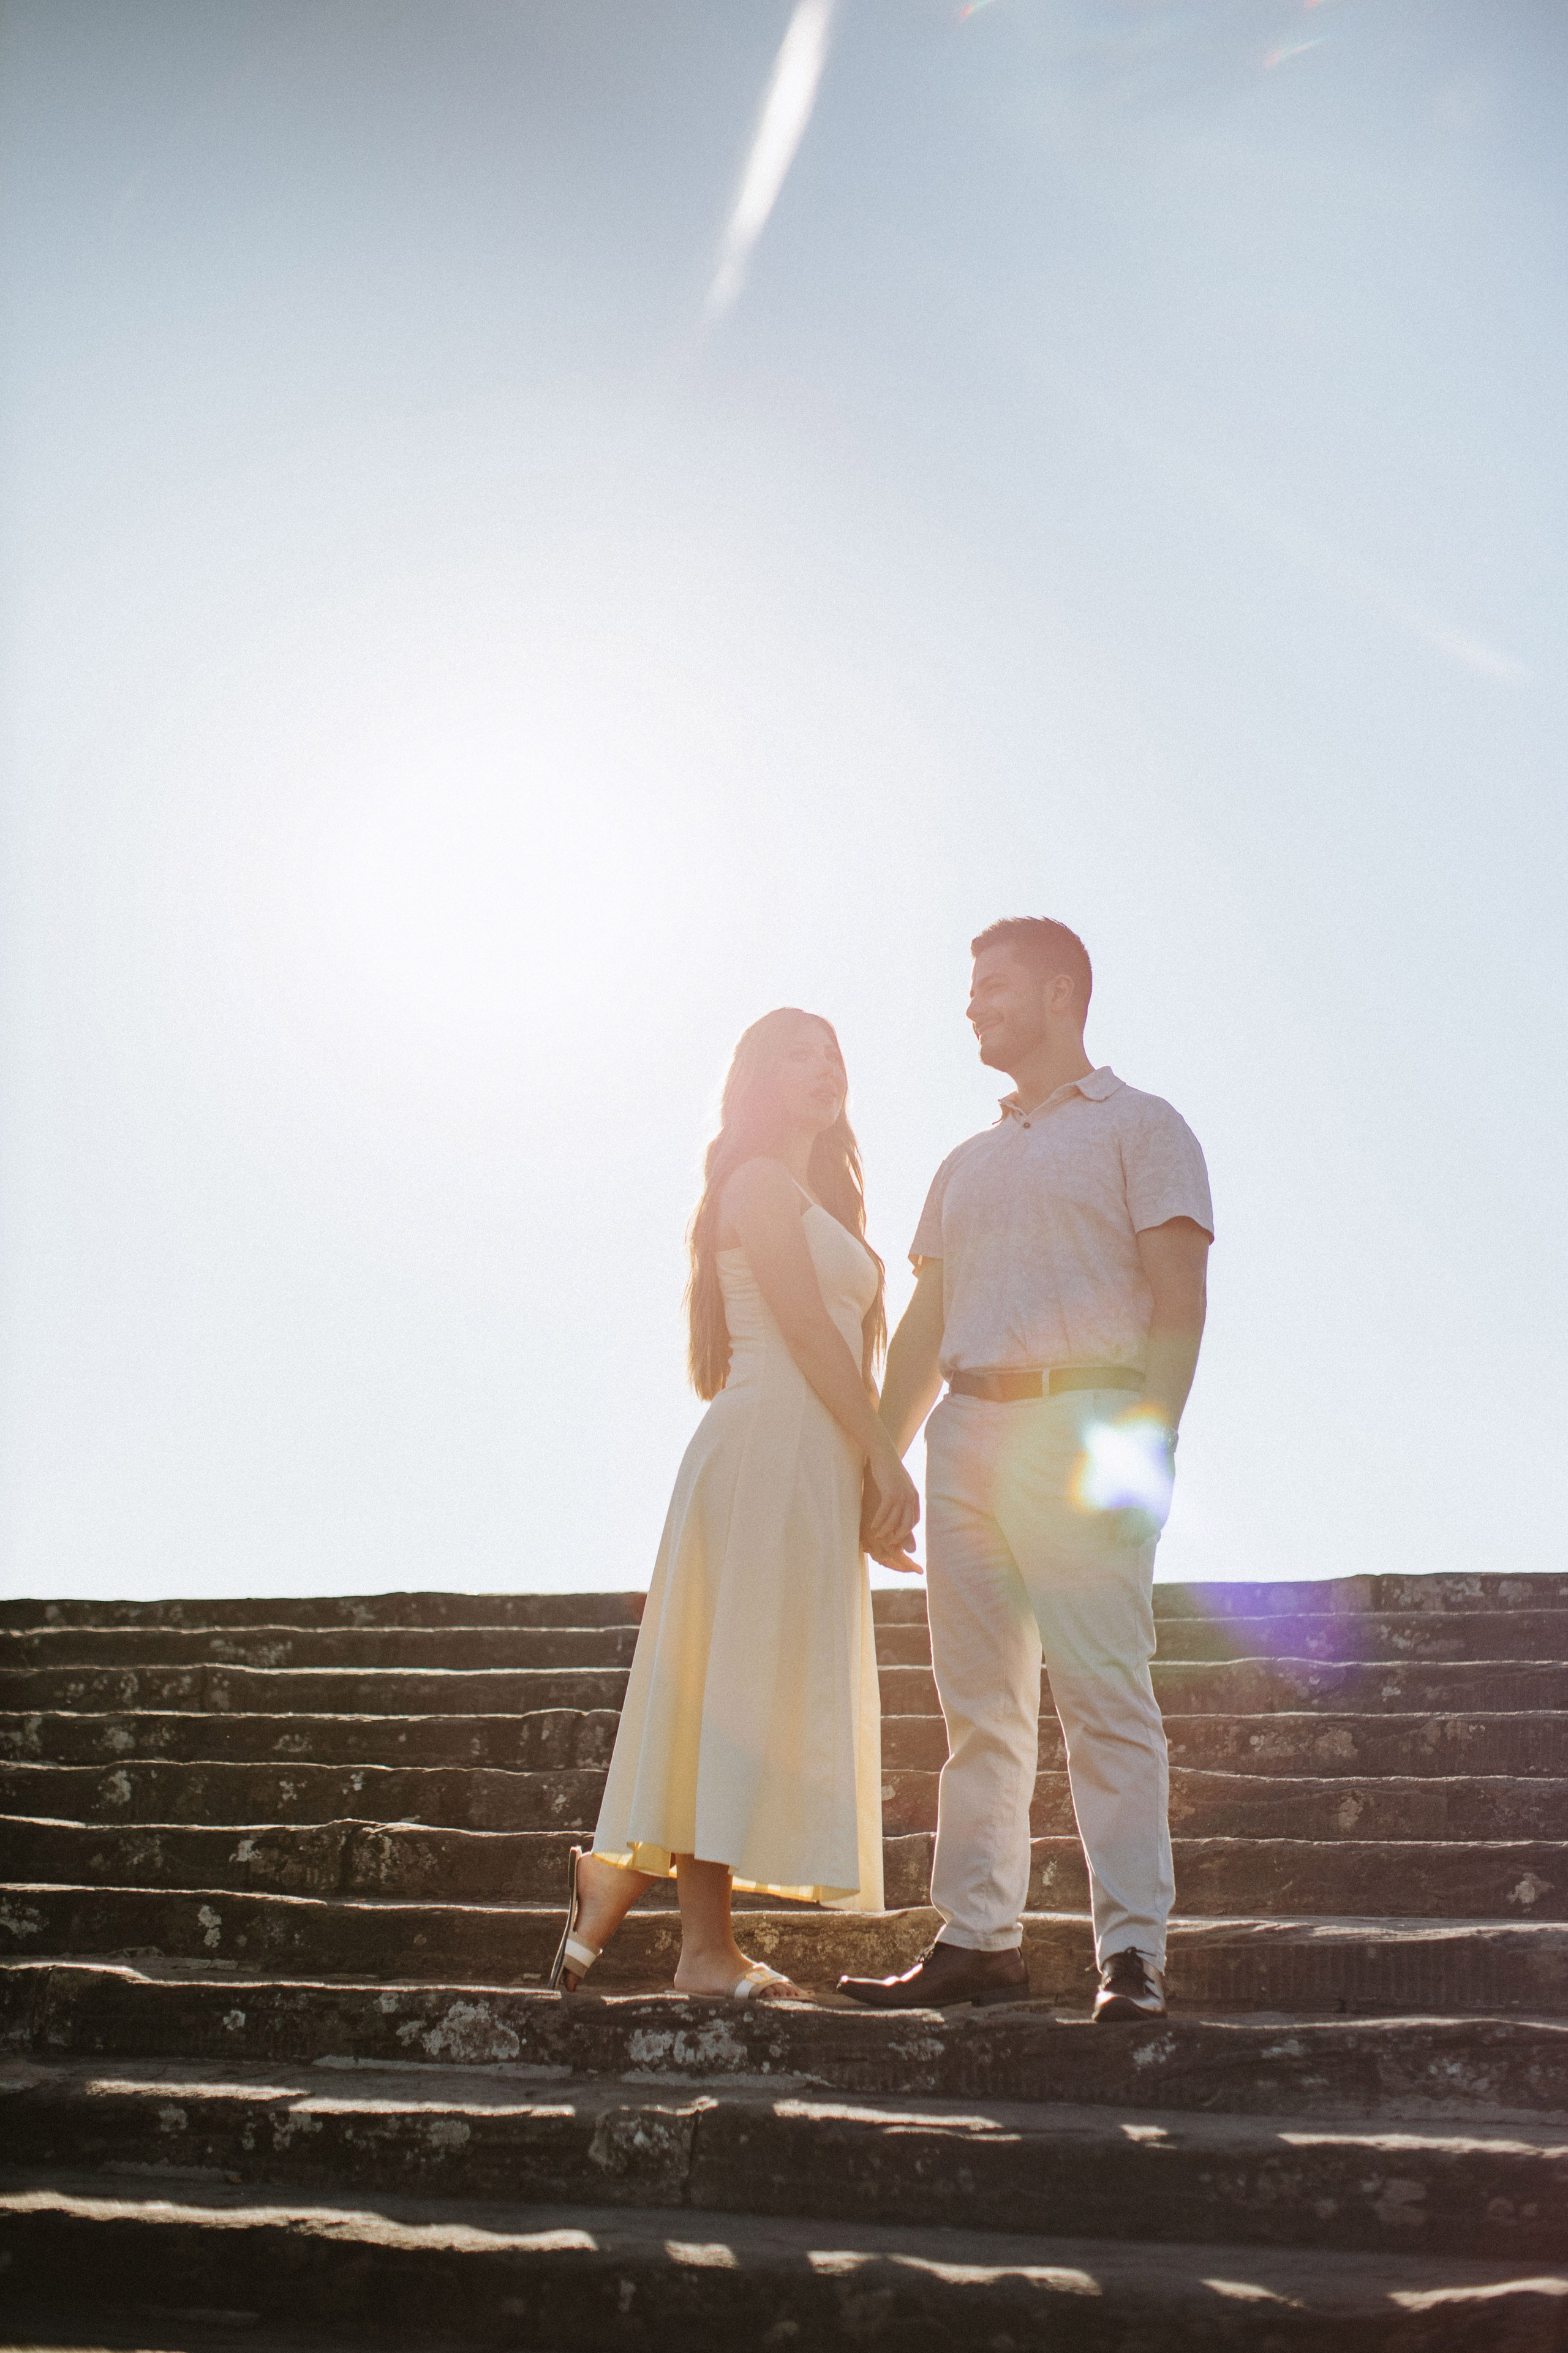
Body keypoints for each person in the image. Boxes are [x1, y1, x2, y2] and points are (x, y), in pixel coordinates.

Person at [840, 918, 1213, 2022]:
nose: (971, 1005)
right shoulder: (966, 1160)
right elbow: (921, 1329)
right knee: (979, 1709)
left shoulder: (1145, 1126)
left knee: (1105, 1697)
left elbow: (1180, 1301)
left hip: (1085, 1424)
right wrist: (880, 1462)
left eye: (992, 986)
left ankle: (1132, 1953)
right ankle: (977, 1938)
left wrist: (1144, 1451)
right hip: (966, 1435)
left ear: (1061, 993)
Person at [551, 1008, 920, 2003]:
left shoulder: (823, 1201)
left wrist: (859, 1471)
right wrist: (885, 1459)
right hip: (759, 1450)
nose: (826, 1066)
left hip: (805, 1461)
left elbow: (845, 1347)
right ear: (759, 1077)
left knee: (759, 1686)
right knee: (731, 1685)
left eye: (836, 1051)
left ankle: (622, 1873)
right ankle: (702, 1952)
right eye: (799, 1052)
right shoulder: (756, 1183)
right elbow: (805, 1331)